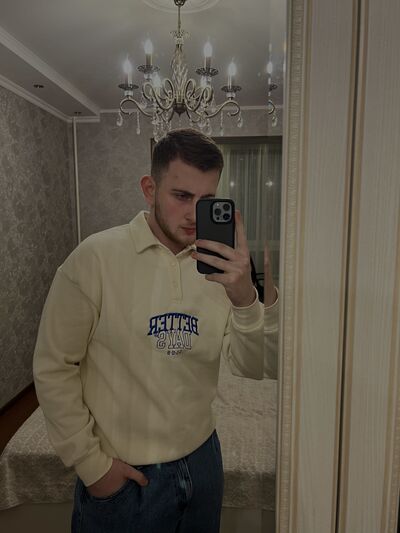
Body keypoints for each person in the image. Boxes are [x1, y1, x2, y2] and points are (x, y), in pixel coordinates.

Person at [33, 128, 278, 533]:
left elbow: (252, 368)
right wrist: (92, 467)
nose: (193, 213)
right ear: (150, 189)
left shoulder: (222, 268)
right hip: (126, 472)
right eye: (181, 196)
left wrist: (243, 296)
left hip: (203, 460)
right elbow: (53, 366)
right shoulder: (95, 258)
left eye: (207, 200)